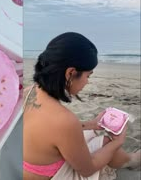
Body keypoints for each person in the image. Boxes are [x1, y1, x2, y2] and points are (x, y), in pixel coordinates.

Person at [23, 32, 140, 180]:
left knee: (90, 133)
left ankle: (131, 159)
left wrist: (91, 124)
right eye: (88, 75)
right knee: (105, 143)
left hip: (31, 167)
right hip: (55, 176)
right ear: (71, 73)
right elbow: (87, 169)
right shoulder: (63, 119)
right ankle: (133, 160)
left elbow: (46, 130)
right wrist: (117, 142)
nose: (87, 82)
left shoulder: (28, 92)